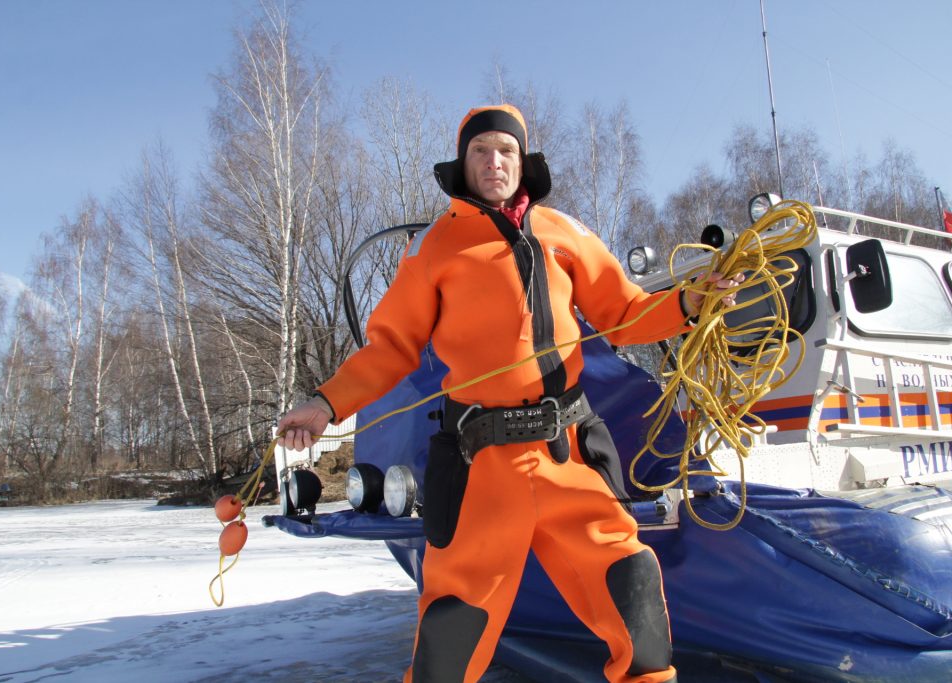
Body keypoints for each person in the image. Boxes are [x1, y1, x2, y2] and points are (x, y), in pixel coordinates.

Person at [278, 104, 742, 683]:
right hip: (481, 468)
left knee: (633, 588)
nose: (494, 162)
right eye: (481, 151)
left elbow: (624, 315)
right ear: (463, 162)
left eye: (506, 151)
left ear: (523, 164)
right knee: (451, 633)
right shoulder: (434, 249)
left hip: (568, 454)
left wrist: (688, 303)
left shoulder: (564, 232)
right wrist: (325, 405)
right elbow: (390, 348)